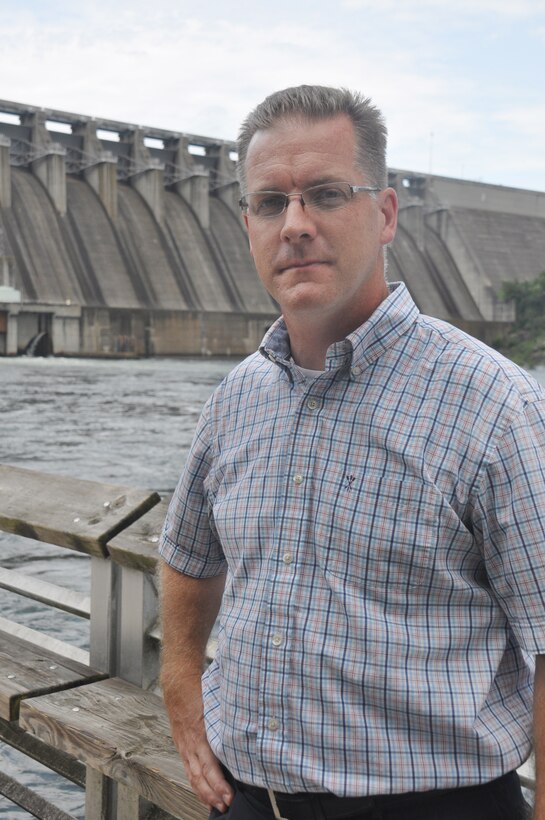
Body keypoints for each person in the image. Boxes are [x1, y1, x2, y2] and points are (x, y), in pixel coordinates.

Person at [159, 85, 545, 820]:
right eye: (271, 203)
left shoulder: (491, 404)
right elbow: (188, 553)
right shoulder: (238, 398)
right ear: (247, 225)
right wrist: (180, 688)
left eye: (325, 194)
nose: (295, 225)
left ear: (385, 213)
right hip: (245, 802)